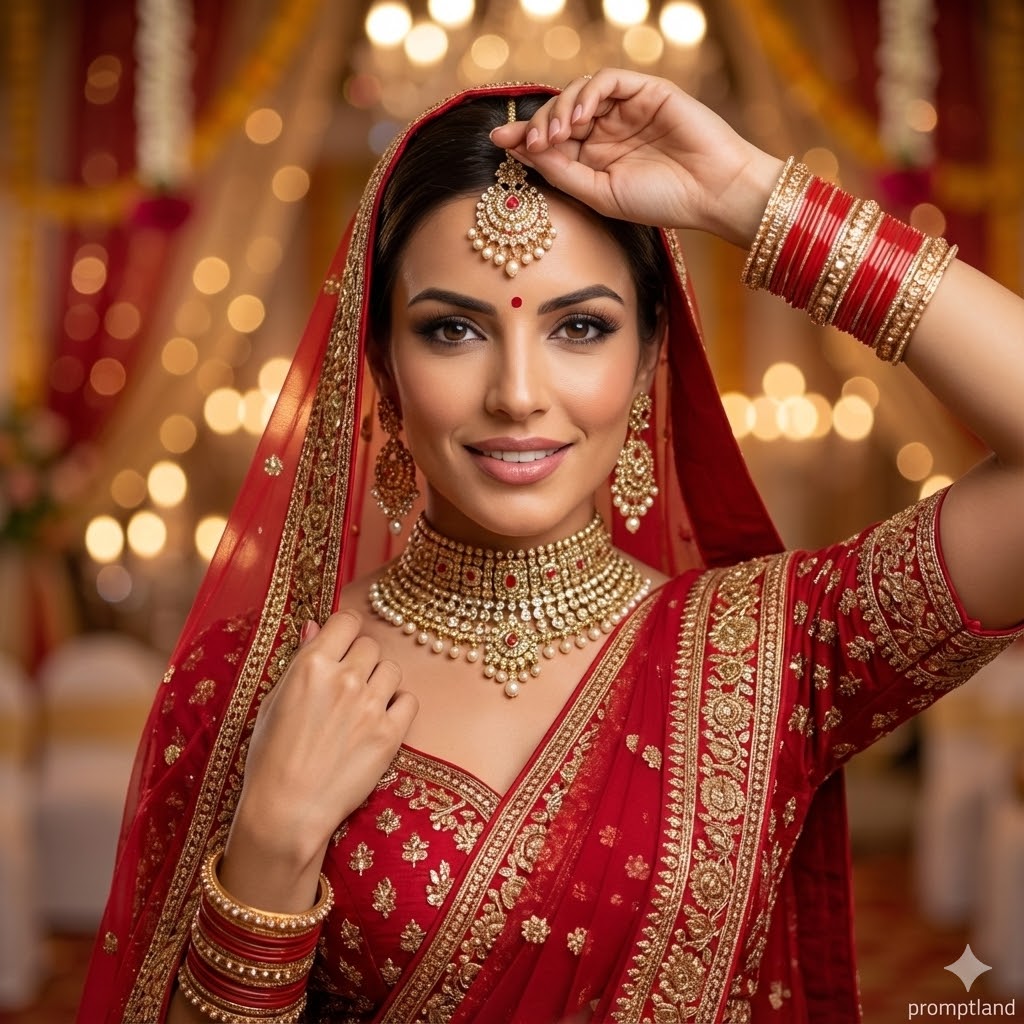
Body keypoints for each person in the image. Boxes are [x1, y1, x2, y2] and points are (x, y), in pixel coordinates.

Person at [77, 69, 1024, 1023]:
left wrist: (748, 194)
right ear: (384, 370)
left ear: (650, 357)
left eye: (580, 327)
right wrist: (271, 845)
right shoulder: (259, 682)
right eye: (453, 329)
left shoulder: (768, 652)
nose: (518, 394)